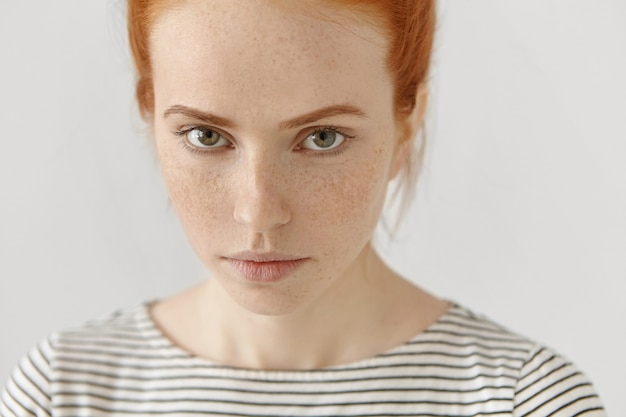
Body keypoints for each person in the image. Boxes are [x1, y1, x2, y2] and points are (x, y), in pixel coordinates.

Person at [0, 0, 606, 415]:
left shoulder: (522, 401)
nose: (259, 213)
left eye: (322, 138)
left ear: (408, 123)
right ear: (148, 114)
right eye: (206, 137)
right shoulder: (64, 391)